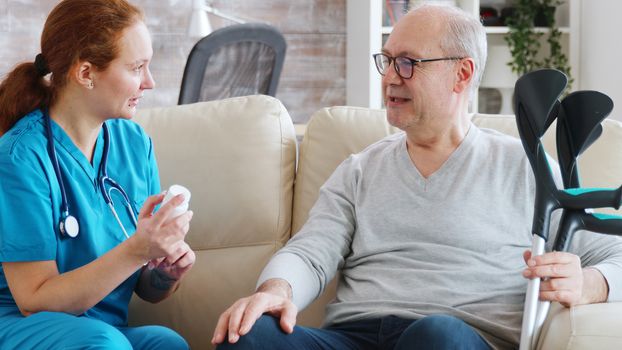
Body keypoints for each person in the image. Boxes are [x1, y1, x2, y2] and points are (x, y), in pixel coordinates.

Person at [211, 4, 622, 350]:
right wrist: (276, 291)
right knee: (246, 334)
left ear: (462, 73)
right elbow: (309, 253)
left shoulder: (524, 165)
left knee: (435, 334)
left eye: (407, 63)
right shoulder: (360, 168)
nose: (390, 77)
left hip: (453, 338)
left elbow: (616, 257)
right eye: (387, 60)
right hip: (353, 337)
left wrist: (588, 283)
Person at [0, 0, 194, 349]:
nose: (149, 82)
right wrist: (138, 250)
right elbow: (33, 300)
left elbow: (143, 288)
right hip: (23, 325)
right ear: (86, 73)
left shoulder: (134, 144)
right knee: (105, 343)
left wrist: (164, 273)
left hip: (103, 328)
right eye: (137, 68)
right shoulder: (19, 158)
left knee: (167, 343)